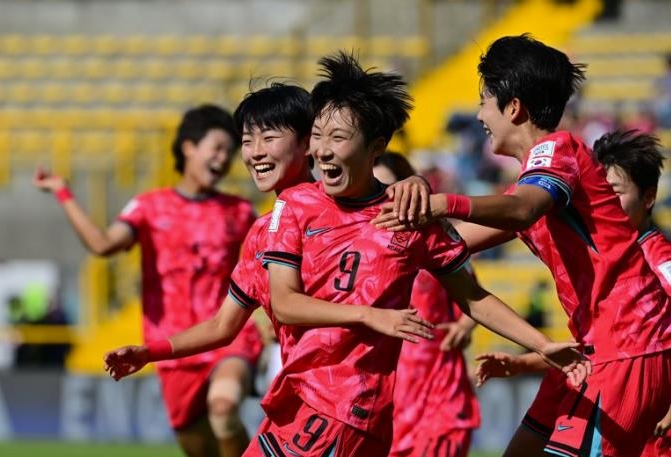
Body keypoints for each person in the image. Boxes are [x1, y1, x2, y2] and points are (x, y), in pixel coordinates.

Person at [249, 51, 588, 457]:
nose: (322, 150)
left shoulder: (411, 218)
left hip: (343, 406)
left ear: (376, 147)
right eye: (318, 135)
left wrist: (539, 344)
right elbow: (284, 303)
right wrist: (369, 315)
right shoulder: (296, 203)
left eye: (338, 138)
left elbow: (473, 297)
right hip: (296, 398)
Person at [375, 35, 671, 457]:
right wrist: (379, 230)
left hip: (627, 346)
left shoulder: (559, 151)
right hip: (593, 350)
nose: (479, 115)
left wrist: (440, 200)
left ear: (513, 107)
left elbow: (520, 211)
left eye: (484, 102)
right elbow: (452, 242)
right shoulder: (536, 179)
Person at [101, 84, 434, 454]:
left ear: (309, 142)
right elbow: (222, 326)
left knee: (224, 409)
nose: (255, 152)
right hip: (301, 399)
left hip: (343, 404)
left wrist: (415, 185)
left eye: (269, 138)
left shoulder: (349, 205)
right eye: (247, 141)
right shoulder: (264, 231)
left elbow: (392, 192)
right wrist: (150, 353)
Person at [34, 104, 262, 457]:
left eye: (229, 153)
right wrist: (63, 193)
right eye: (216, 148)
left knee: (224, 407)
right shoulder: (148, 207)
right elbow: (102, 245)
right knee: (201, 448)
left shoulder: (241, 211)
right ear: (189, 146)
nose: (223, 159)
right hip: (172, 346)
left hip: (224, 335)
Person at [474, 129, 671, 448]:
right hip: (582, 371)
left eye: (616, 193)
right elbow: (596, 341)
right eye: (601, 193)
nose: (607, 202)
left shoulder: (655, 256)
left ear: (648, 198)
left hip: (629, 386)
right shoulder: (591, 246)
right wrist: (525, 362)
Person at [374, 152, 480, 457]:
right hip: (387, 383)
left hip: (436, 378)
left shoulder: (434, 237)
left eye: (391, 188)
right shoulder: (361, 245)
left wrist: (464, 325)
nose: (385, 198)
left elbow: (473, 292)